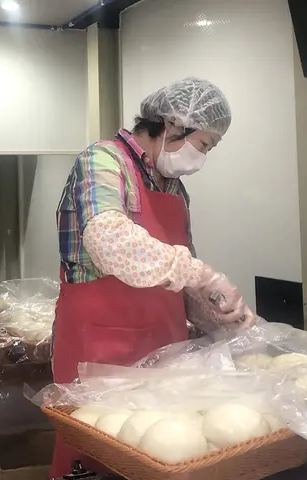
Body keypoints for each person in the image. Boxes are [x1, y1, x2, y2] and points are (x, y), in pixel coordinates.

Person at [52, 77, 255, 476]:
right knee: (98, 451)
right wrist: (203, 274)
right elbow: (108, 240)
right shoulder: (103, 161)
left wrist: (216, 313)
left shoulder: (175, 189)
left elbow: (177, 277)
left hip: (165, 350)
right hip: (99, 349)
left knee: (161, 454)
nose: (202, 157)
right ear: (173, 124)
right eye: (204, 144)